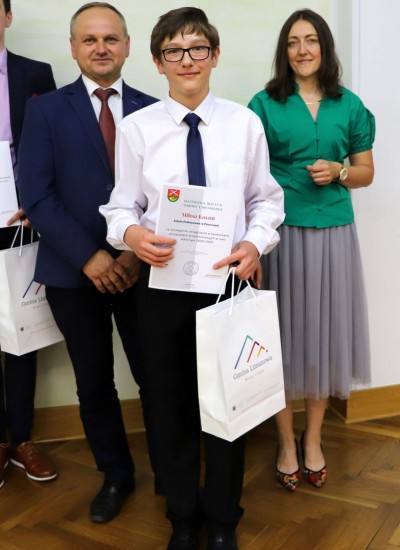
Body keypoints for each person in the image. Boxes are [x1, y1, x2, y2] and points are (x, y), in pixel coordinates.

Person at [100, 7, 284, 550]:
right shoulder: (137, 129)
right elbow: (120, 207)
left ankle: (223, 518)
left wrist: (254, 243)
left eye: (197, 48)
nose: (187, 59)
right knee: (169, 402)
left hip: (228, 284)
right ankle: (182, 517)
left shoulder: (244, 124)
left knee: (229, 401)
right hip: (162, 287)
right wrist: (132, 235)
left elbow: (266, 201)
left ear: (215, 56)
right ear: (158, 62)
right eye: (174, 51)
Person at [18, 2, 157, 522]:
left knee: (156, 376)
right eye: (90, 39)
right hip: (73, 274)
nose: (101, 48)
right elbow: (37, 195)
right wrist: (91, 258)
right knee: (94, 382)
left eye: (111, 38)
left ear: (127, 45)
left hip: (142, 268)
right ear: (74, 47)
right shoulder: (46, 111)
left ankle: (172, 473)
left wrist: (129, 254)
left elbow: (164, 195)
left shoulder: (155, 109)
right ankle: (116, 475)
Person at [248, 8, 374, 491]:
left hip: (335, 234)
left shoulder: (350, 105)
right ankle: (285, 442)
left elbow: (365, 172)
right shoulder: (263, 104)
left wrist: (340, 171)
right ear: (284, 51)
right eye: (293, 42)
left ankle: (313, 438)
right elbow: (248, 177)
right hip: (279, 234)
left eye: (311, 40)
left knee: (323, 337)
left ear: (325, 47)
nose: (302, 50)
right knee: (280, 338)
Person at [0, 0, 57, 489]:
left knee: (22, 331)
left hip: (20, 222)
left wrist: (39, 206)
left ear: (7, 16)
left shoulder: (35, 74)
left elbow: (55, 145)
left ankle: (21, 438)